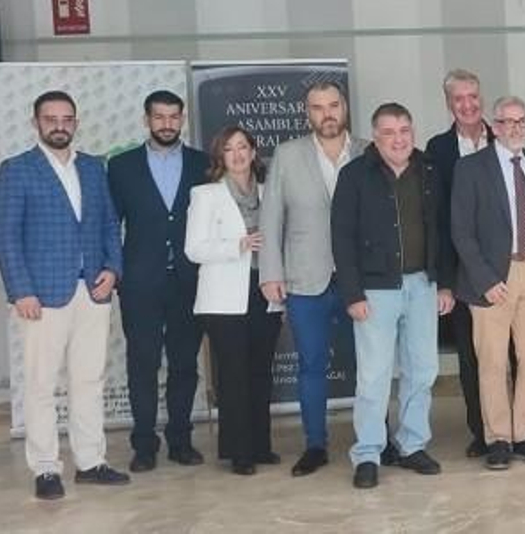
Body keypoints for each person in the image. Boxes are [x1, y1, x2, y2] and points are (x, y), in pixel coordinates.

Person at [0, 90, 129, 500]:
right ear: (36, 123)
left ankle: (90, 462)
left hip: (93, 290)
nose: (59, 125)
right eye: (50, 118)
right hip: (42, 295)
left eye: (66, 118)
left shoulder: (92, 168)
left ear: (76, 122)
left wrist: (113, 269)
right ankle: (47, 469)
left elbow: (108, 225)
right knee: (41, 384)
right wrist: (21, 290)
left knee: (89, 380)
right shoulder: (17, 170)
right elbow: (5, 236)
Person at [333, 103, 451, 488]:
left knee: (423, 370)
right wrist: (352, 293)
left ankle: (412, 445)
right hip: (374, 290)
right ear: (375, 136)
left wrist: (445, 283)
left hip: (422, 285)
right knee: (374, 376)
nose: (398, 138)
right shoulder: (354, 175)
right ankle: (367, 452)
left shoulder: (430, 169)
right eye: (389, 132)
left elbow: (442, 230)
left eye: (404, 129)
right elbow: (342, 238)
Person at [258, 81, 370, 477]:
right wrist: (270, 272)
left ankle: (377, 438)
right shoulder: (288, 155)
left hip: (361, 278)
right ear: (308, 113)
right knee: (311, 365)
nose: (327, 114)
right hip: (306, 279)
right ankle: (315, 444)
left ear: (345, 108)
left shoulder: (367, 150)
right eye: (318, 107)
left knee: (370, 364)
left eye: (333, 105)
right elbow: (271, 217)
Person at [452, 96, 525, 470]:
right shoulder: (470, 168)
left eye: (522, 121)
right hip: (492, 276)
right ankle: (498, 438)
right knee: (493, 362)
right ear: (493, 127)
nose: (515, 128)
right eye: (507, 122)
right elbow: (461, 231)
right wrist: (484, 279)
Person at [106, 90, 208, 472]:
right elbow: (109, 225)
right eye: (159, 117)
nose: (167, 124)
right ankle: (144, 445)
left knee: (184, 364)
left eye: (173, 117)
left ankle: (181, 440)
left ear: (182, 119)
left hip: (189, 280)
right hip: (139, 282)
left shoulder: (202, 164)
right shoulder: (122, 166)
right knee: (142, 363)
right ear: (146, 120)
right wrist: (114, 272)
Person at [185, 126, 284, 475]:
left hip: (264, 292)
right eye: (229, 149)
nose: (238, 154)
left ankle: (261, 446)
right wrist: (237, 246)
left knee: (260, 373)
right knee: (233, 376)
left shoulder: (269, 191)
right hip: (224, 300)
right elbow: (193, 249)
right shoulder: (206, 194)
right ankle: (238, 452)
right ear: (220, 157)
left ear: (254, 152)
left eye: (243, 147)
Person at [422, 69, 495, 458]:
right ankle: (481, 431)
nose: (467, 105)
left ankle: (513, 426)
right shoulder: (438, 149)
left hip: (504, 269)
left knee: (508, 354)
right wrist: (444, 281)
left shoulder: (502, 136)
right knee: (471, 355)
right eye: (458, 99)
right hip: (463, 272)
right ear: (448, 104)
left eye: (473, 97)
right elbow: (435, 218)